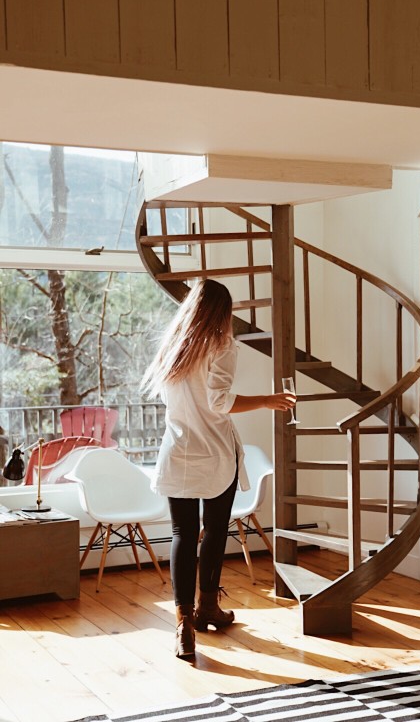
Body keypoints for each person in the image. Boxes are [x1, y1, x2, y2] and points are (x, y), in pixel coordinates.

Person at [141, 279, 295, 659]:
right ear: (222, 312)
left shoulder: (172, 348)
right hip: (215, 455)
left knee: (182, 533)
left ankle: (184, 624)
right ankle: (207, 606)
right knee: (212, 533)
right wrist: (267, 400)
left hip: (178, 452)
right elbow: (220, 401)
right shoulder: (222, 345)